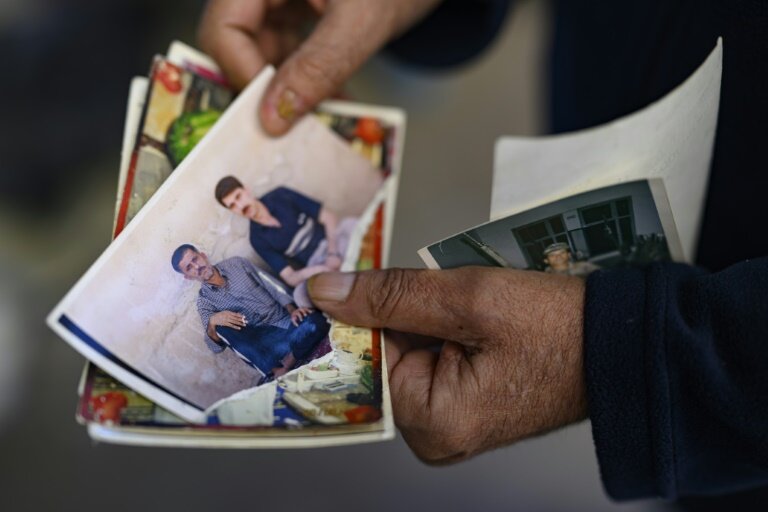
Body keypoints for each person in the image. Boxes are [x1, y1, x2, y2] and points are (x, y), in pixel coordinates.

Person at [196, 0, 768, 503]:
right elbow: (286, 269)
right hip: (610, 70)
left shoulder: (277, 206)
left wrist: (641, 353)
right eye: (239, 205)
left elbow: (319, 219)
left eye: (246, 197)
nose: (249, 205)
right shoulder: (254, 247)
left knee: (712, 482)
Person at [171, 243, 329, 379]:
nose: (197, 267)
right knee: (218, 327)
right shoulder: (204, 301)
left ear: (203, 255)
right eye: (189, 268)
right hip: (268, 347)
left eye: (195, 259)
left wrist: (292, 309)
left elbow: (271, 284)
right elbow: (215, 347)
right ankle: (274, 370)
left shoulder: (237, 264)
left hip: (288, 324)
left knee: (317, 322)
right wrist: (213, 323)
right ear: (188, 277)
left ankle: (289, 362)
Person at [214, 176, 356, 306]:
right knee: (300, 296)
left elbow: (328, 217)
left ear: (246, 190)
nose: (240, 206)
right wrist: (322, 269)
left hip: (332, 241)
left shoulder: (280, 195)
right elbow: (290, 277)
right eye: (232, 205)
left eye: (238, 197)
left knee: (350, 224)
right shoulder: (257, 239)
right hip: (315, 263)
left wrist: (333, 253)